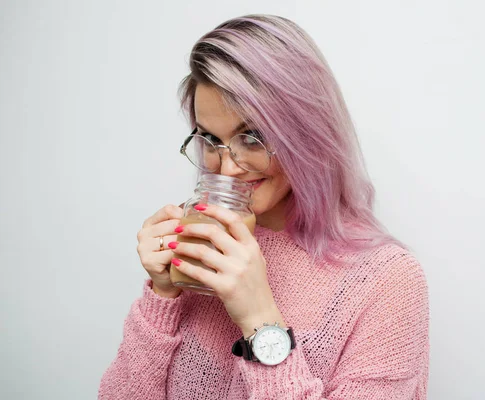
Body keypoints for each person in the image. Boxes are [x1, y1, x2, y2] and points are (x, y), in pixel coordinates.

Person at [98, 14, 429, 399]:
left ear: (307, 133)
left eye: (252, 137)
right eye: (209, 138)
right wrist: (162, 296)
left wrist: (259, 319)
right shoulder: (199, 249)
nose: (226, 168)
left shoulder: (386, 281)